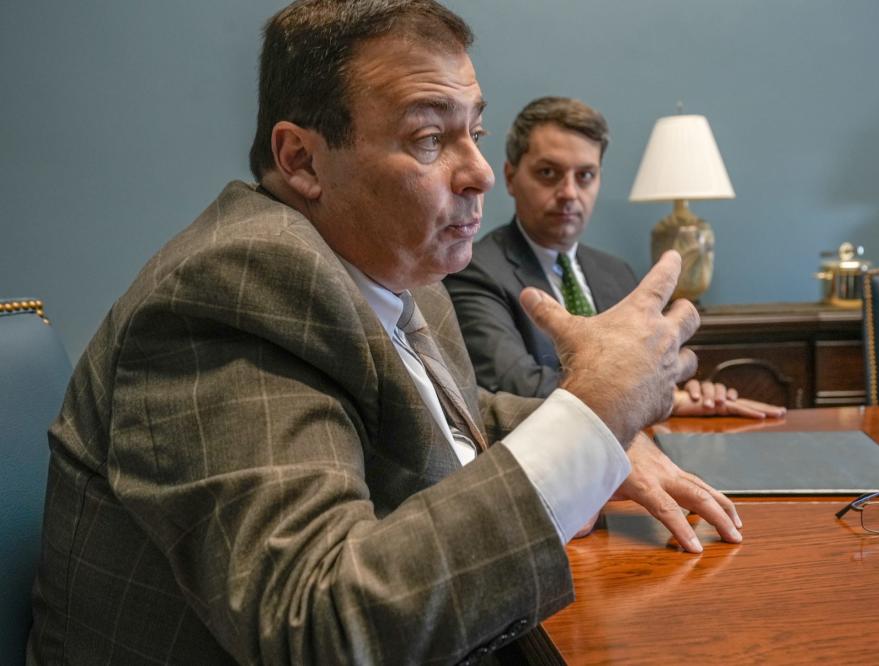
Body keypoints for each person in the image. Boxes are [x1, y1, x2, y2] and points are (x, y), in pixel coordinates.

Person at [28, 4, 743, 664]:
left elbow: (439, 422)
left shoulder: (402, 271)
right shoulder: (234, 287)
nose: (481, 173)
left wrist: (608, 444)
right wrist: (592, 416)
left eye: (476, 131)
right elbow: (317, 624)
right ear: (302, 159)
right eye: (430, 137)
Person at [444, 96, 785, 419]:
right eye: (548, 173)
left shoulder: (615, 272)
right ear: (510, 177)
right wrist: (666, 401)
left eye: (585, 176)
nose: (569, 193)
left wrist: (688, 393)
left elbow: (654, 373)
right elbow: (518, 387)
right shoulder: (477, 271)